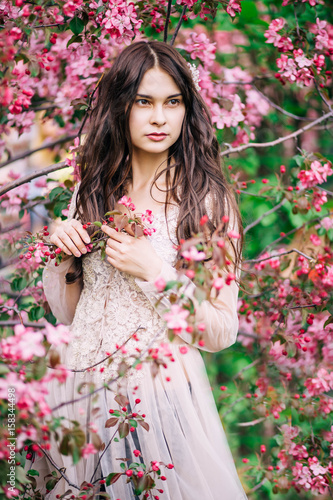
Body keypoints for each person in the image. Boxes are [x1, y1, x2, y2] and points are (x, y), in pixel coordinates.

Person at [32, 40, 247, 499]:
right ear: (119, 107)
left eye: (173, 103)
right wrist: (64, 253)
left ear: (187, 110)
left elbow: (221, 330)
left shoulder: (206, 201)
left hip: (161, 405)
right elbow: (71, 313)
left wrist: (156, 273)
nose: (158, 118)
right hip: (83, 400)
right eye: (143, 102)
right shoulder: (93, 190)